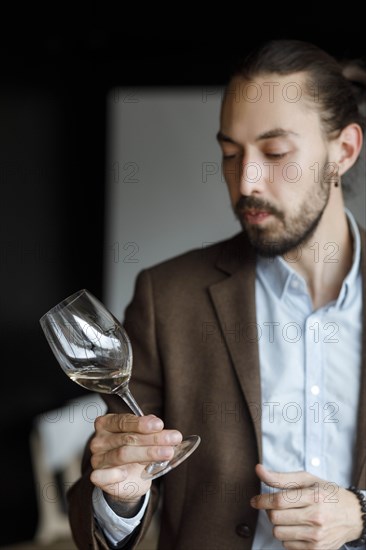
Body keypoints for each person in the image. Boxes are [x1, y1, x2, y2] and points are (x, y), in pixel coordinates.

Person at [67, 39, 366, 550]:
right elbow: (98, 520)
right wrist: (121, 498)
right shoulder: (167, 298)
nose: (245, 180)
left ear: (343, 150)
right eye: (230, 154)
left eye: (275, 153)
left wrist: (362, 512)